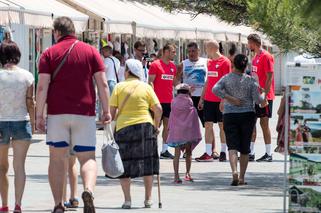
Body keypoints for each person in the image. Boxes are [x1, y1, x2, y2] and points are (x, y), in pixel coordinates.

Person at [36, 16, 111, 213]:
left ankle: (59, 205)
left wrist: (38, 116)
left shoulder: (48, 53)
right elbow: (102, 83)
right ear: (74, 32)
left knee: (57, 159)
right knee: (87, 158)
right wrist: (106, 110)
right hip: (84, 113)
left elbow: (42, 86)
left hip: (57, 113)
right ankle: (87, 190)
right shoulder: (91, 51)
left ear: (57, 32)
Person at [110, 59, 162, 209]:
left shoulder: (119, 87)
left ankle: (127, 200)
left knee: (125, 164)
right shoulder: (146, 87)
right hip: (145, 127)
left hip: (124, 128)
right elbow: (158, 109)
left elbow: (111, 113)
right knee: (147, 163)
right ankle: (148, 199)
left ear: (127, 71)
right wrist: (156, 126)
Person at [213, 54, 267, 186]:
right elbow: (259, 100)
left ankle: (234, 172)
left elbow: (215, 89)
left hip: (230, 114)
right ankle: (242, 177)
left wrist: (229, 98)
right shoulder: (250, 80)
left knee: (232, 146)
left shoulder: (226, 78)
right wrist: (264, 93)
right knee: (244, 148)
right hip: (247, 115)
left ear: (233, 64)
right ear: (245, 66)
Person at [0, 41, 35, 213]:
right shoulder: (27, 76)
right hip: (22, 121)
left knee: (1, 167)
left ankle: (4, 204)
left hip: (0, 123)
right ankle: (18, 205)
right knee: (19, 166)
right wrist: (34, 123)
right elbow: (30, 102)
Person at [196, 40, 231, 162]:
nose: (205, 50)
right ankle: (208, 152)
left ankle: (223, 151)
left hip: (220, 99)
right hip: (209, 100)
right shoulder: (209, 62)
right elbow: (208, 81)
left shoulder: (225, 62)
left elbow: (227, 83)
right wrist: (202, 98)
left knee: (222, 126)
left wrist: (223, 99)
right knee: (208, 125)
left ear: (212, 48)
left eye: (206, 48)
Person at [149, 43, 179, 159]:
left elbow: (174, 82)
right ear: (166, 52)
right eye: (173, 51)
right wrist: (152, 99)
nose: (174, 54)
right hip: (157, 101)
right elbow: (150, 82)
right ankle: (152, 149)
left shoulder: (173, 66)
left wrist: (184, 88)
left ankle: (164, 150)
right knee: (155, 126)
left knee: (167, 126)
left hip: (169, 101)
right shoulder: (155, 65)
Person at [247, 34, 275, 162]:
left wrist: (265, 97)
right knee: (252, 124)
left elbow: (270, 77)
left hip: (265, 96)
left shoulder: (267, 56)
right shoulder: (255, 57)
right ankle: (251, 152)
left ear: (254, 43)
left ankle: (268, 154)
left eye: (249, 43)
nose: (248, 46)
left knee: (264, 124)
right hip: (254, 95)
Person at [167, 83, 202, 183]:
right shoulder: (189, 101)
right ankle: (187, 173)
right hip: (187, 131)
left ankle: (176, 176)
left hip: (177, 132)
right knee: (189, 152)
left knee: (176, 154)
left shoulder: (173, 101)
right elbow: (192, 114)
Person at [176, 42, 207, 127]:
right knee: (187, 125)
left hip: (203, 97)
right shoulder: (183, 64)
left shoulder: (206, 62)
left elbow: (210, 79)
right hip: (188, 97)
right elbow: (175, 81)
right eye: (189, 51)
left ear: (198, 51)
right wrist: (184, 87)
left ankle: (209, 141)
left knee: (208, 125)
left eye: (193, 51)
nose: (191, 53)